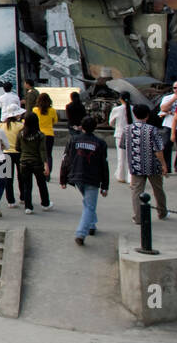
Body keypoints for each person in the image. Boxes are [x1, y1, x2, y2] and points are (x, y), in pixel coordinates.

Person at [59, 116, 109, 245]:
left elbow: (66, 160)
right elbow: (104, 164)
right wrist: (105, 185)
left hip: (77, 176)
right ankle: (81, 233)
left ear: (82, 127)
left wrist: (63, 178)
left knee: (88, 203)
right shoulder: (100, 143)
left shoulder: (73, 140)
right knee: (89, 205)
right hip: (93, 177)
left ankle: (91, 224)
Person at [124, 103, 168, 223]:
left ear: (135, 115)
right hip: (152, 165)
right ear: (147, 115)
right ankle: (162, 212)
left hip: (135, 164)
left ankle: (138, 217)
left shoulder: (127, 128)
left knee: (136, 191)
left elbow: (122, 145)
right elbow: (159, 149)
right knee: (158, 189)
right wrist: (163, 164)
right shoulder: (152, 129)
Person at [17, 111, 52, 214]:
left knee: (27, 185)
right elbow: (42, 150)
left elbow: (17, 147)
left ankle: (28, 207)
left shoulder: (21, 133)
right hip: (37, 163)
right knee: (41, 184)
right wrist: (46, 164)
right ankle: (45, 203)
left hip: (24, 162)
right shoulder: (40, 135)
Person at [159, 82, 177, 176]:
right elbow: (163, 108)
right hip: (168, 125)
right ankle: (167, 167)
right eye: (175, 88)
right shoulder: (168, 98)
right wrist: (173, 99)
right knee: (166, 145)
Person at [0, 104, 24, 208]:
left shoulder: (1, 126)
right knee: (21, 177)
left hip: (6, 153)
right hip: (19, 153)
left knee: (8, 178)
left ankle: (10, 201)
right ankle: (23, 197)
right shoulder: (20, 126)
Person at [109, 96, 133, 184]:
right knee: (131, 156)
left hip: (120, 134)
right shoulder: (133, 108)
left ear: (120, 99)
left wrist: (116, 126)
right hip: (132, 133)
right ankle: (131, 177)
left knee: (121, 157)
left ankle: (121, 175)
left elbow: (111, 122)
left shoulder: (116, 109)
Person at [35, 93, 60, 180]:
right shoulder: (52, 110)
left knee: (39, 154)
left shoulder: (35, 110)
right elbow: (55, 121)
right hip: (49, 134)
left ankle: (40, 171)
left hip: (38, 134)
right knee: (49, 154)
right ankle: (48, 173)